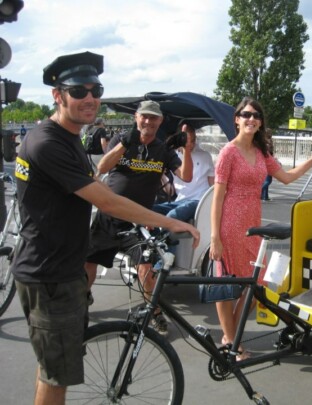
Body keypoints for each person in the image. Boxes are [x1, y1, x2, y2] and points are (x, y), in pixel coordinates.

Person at [11, 51, 199, 405]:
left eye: (95, 90)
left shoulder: (65, 138)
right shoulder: (48, 142)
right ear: (58, 95)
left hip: (56, 269)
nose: (90, 98)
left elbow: (182, 176)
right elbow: (106, 198)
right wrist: (171, 221)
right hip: (51, 274)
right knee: (56, 377)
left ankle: (148, 311)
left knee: (52, 370)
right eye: (78, 91)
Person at [209, 97, 312, 359]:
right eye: (246, 115)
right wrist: (215, 237)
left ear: (261, 123)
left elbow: (287, 178)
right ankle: (232, 341)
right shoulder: (228, 152)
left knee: (256, 285)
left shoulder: (262, 153)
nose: (251, 119)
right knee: (227, 284)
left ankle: (231, 335)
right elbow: (217, 197)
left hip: (253, 225)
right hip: (229, 225)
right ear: (237, 119)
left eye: (256, 116)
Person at [85, 100, 195, 336]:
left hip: (138, 221)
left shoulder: (162, 149)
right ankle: (82, 299)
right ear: (136, 117)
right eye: (144, 116)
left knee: (146, 268)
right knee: (89, 262)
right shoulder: (121, 139)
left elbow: (186, 175)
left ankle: (153, 312)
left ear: (160, 121)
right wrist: (124, 144)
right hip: (109, 215)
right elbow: (102, 168)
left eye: (153, 118)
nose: (148, 121)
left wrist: (186, 148)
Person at [153, 123, 215, 221]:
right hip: (180, 201)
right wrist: (160, 174)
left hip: (199, 201)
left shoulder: (205, 156)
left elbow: (213, 185)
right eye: (187, 140)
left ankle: (165, 233)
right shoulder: (173, 158)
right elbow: (171, 190)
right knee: (151, 211)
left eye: (193, 140)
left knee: (172, 216)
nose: (190, 144)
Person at [260, 128, 274, 201]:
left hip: (264, 162)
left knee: (266, 179)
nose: (271, 134)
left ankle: (265, 196)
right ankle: (259, 192)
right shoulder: (267, 142)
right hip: (268, 163)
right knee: (268, 180)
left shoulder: (264, 141)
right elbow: (268, 154)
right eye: (270, 132)